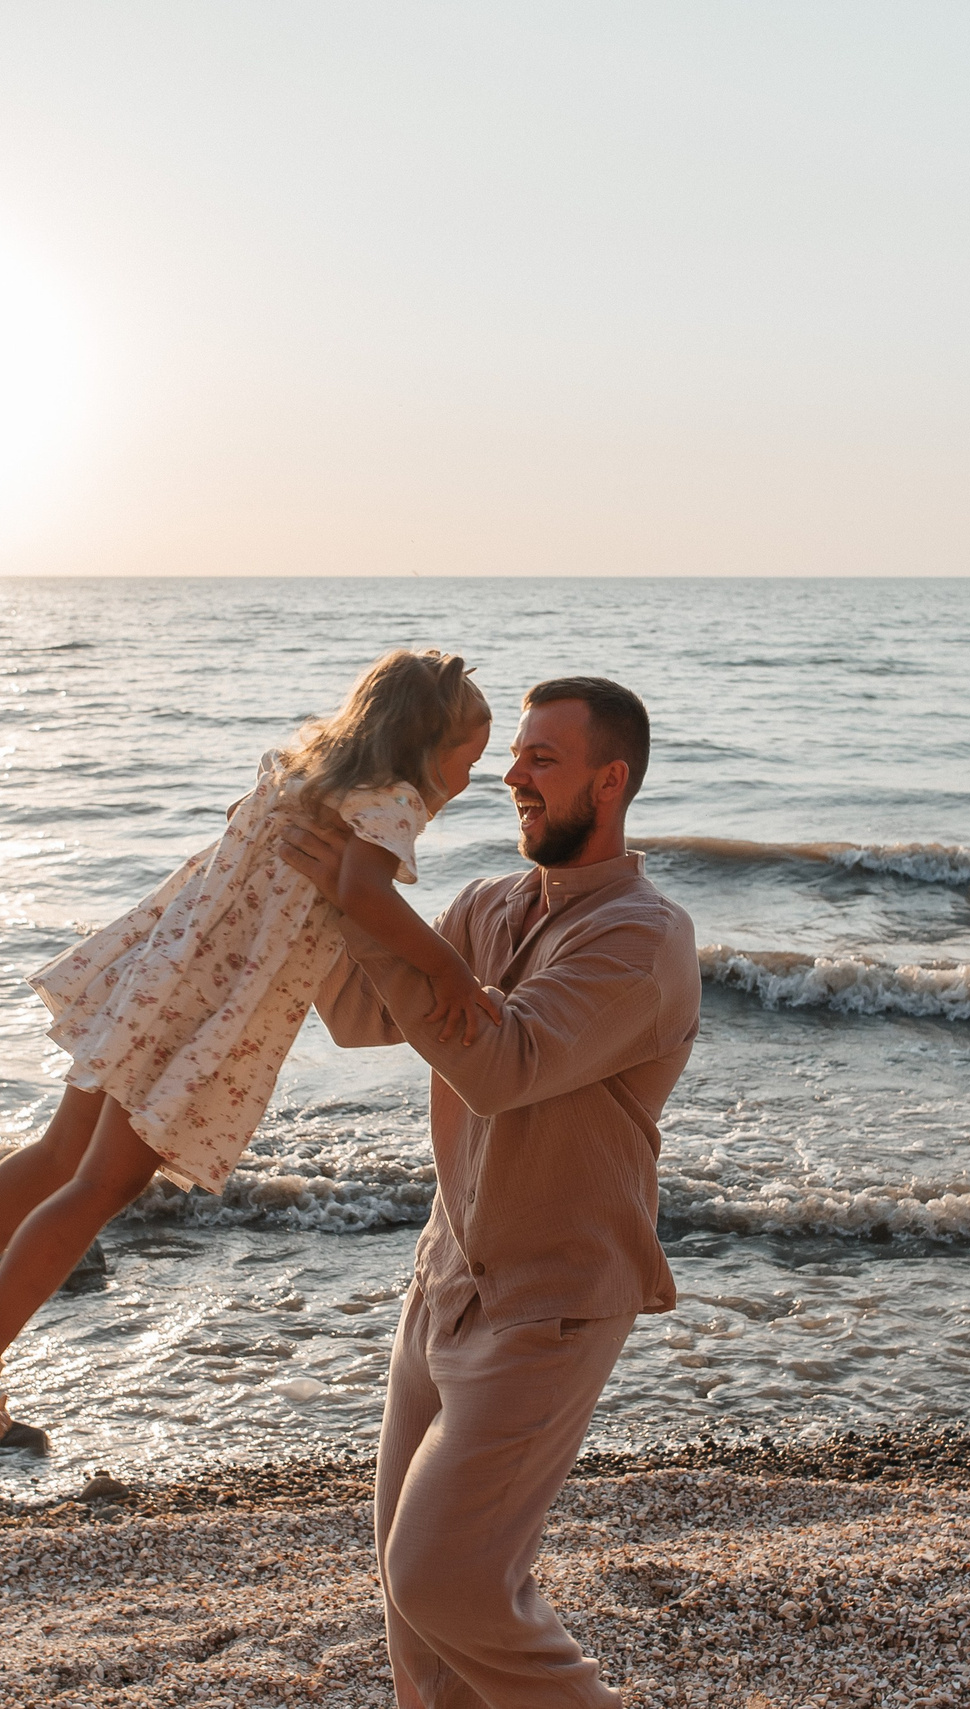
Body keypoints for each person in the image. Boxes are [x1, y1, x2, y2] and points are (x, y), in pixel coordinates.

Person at [0, 649, 499, 1475]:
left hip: (157, 976)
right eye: (469, 756)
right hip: (208, 1009)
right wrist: (452, 970)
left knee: (59, 1155)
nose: (471, 776)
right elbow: (364, 893)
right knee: (104, 1184)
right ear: (423, 746)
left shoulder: (299, 774)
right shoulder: (388, 804)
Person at [278, 675, 699, 1709]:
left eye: (539, 759)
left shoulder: (642, 937)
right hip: (446, 1280)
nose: (510, 774)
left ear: (610, 782)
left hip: (549, 1303)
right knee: (416, 1623)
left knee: (449, 1581)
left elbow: (498, 1063)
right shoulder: (488, 905)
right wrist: (306, 883)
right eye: (513, 753)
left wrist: (368, 901)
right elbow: (359, 1016)